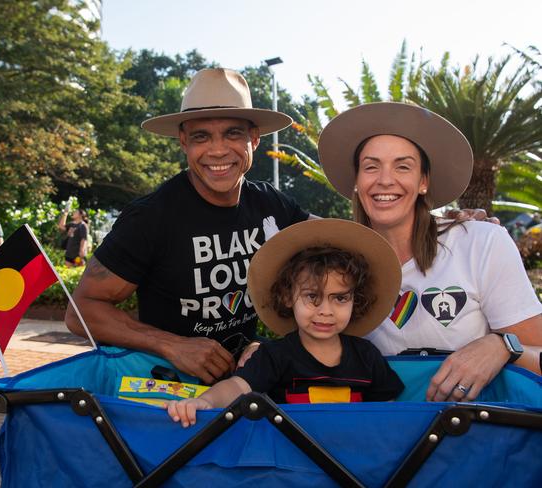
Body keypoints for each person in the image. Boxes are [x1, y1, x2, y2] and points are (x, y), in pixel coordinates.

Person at [66, 68, 312, 384]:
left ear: (254, 138)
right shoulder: (151, 217)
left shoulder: (272, 205)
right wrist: (172, 345)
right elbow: (80, 310)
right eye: (201, 136)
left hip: (241, 388)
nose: (218, 150)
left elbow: (337, 246)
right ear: (183, 141)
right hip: (166, 390)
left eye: (233, 133)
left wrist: (260, 346)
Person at [318, 102, 542, 402]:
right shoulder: (333, 265)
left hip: (477, 436)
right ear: (357, 182)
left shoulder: (481, 243)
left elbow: (537, 359)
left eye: (403, 166)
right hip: (377, 437)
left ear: (423, 181)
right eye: (371, 166)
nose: (385, 179)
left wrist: (501, 347)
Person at [166, 219, 405, 427]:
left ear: (356, 300)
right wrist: (206, 401)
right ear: (288, 297)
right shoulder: (274, 356)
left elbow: (389, 412)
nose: (326, 311)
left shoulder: (367, 356)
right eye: (312, 297)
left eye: (340, 298)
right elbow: (238, 387)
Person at [58, 203, 89, 267]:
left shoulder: (83, 225)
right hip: (69, 254)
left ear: (80, 215)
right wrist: (65, 213)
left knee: (77, 272)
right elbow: (61, 227)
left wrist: (82, 252)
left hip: (77, 254)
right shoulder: (72, 224)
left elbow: (84, 239)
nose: (73, 213)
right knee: (67, 271)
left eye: (75, 212)